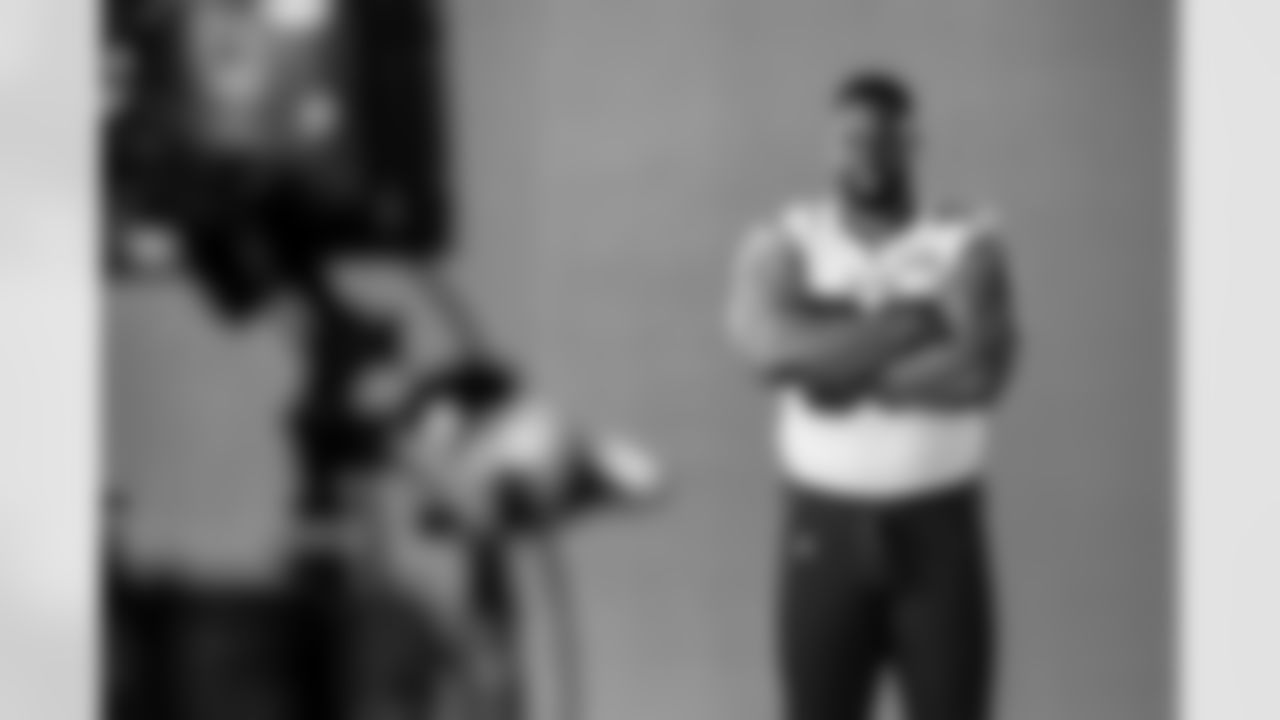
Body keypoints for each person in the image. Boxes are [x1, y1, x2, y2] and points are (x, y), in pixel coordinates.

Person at [728, 70, 1020, 720]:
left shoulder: (964, 239)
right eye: (851, 138)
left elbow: (980, 370)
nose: (868, 153)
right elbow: (766, 349)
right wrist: (913, 324)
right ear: (828, 145)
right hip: (823, 533)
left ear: (913, 142)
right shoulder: (789, 237)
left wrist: (832, 368)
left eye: (885, 138)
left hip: (939, 533)